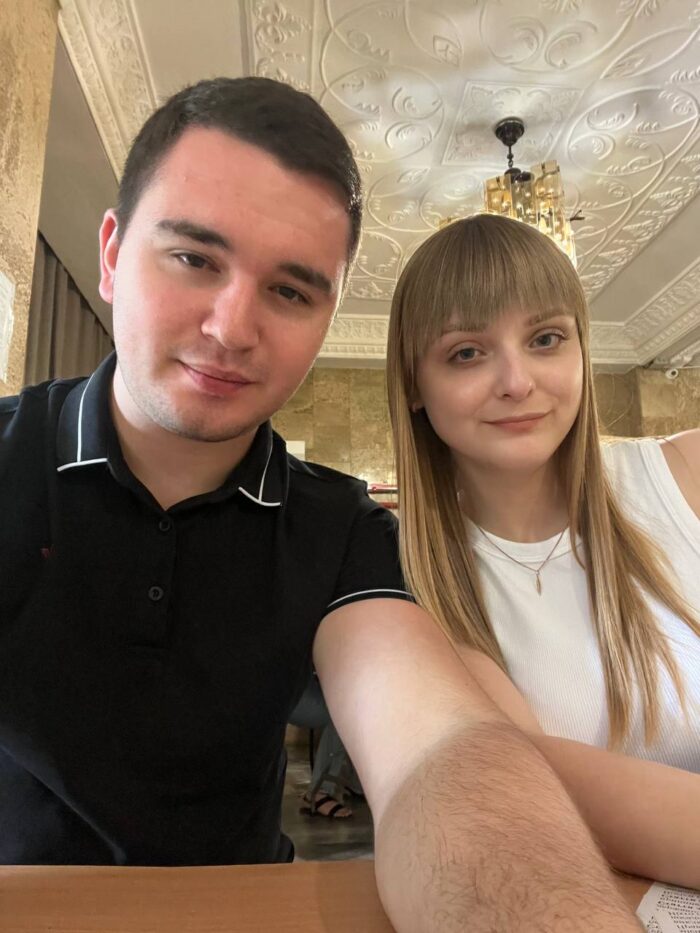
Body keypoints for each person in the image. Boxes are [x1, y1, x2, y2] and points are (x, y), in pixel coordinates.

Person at [0, 76, 644, 930]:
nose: (233, 328)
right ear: (113, 255)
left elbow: (438, 750)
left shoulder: (342, 526)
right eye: (194, 259)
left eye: (290, 291)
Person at [386, 212, 700, 890]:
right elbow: (536, 778)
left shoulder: (685, 472)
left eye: (545, 339)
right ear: (413, 384)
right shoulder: (418, 576)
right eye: (466, 353)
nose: (517, 381)